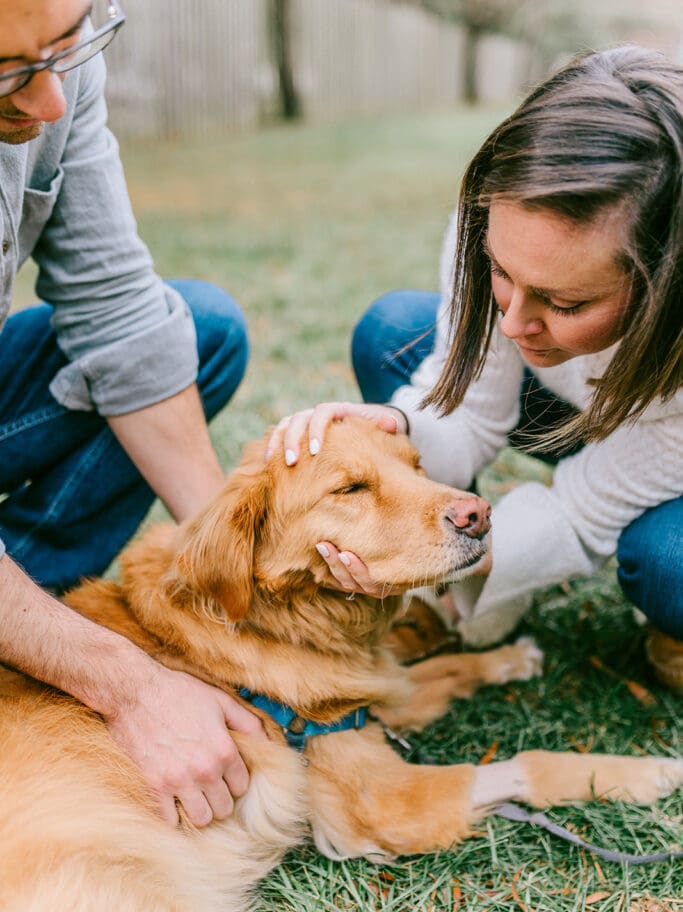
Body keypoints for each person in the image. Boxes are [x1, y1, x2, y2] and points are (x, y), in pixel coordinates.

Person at [271, 46, 683, 692]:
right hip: (585, 410)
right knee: (393, 333)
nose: (514, 322)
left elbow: (584, 506)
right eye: (499, 272)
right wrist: (395, 426)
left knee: (667, 561)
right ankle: (472, 552)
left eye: (564, 302)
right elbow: (468, 406)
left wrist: (464, 555)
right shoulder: (507, 213)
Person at [0, 0, 266, 829]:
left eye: (64, 45)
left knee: (199, 329)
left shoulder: (54, 63)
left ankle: (28, 606)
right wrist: (131, 685)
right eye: (7, 76)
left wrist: (237, 568)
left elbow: (117, 312)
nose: (50, 102)